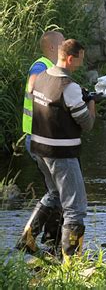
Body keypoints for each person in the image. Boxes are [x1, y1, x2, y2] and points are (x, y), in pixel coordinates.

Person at [17, 39, 96, 260]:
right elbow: (87, 123)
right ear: (71, 58)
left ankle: (27, 239)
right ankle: (72, 263)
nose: (80, 64)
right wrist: (91, 102)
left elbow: (40, 96)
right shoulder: (69, 87)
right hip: (61, 153)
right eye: (80, 59)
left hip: (39, 148)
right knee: (75, 208)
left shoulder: (40, 77)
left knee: (54, 194)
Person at [16, 31, 66, 254]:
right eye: (63, 42)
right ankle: (32, 236)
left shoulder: (52, 67)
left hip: (40, 138)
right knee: (57, 191)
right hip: (38, 138)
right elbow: (32, 86)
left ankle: (50, 239)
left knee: (56, 190)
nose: (67, 45)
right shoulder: (41, 65)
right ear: (54, 48)